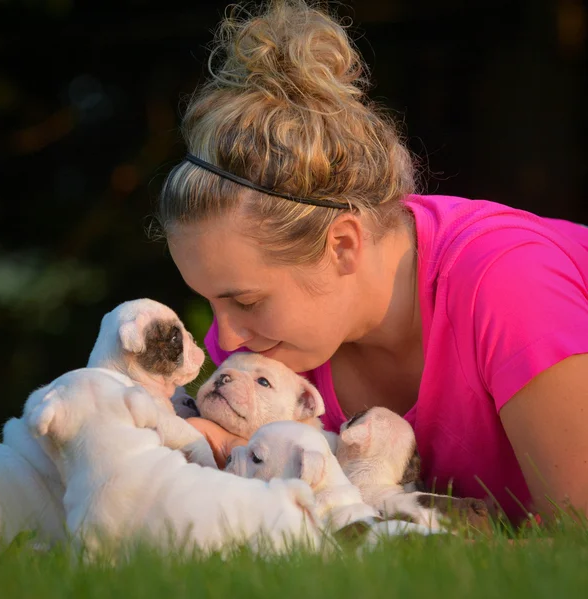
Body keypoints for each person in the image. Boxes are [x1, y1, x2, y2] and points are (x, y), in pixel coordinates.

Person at [155, 0, 588, 525]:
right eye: (211, 301)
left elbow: (578, 529)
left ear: (341, 246)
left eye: (245, 300)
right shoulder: (271, 349)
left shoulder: (508, 283)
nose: (225, 337)